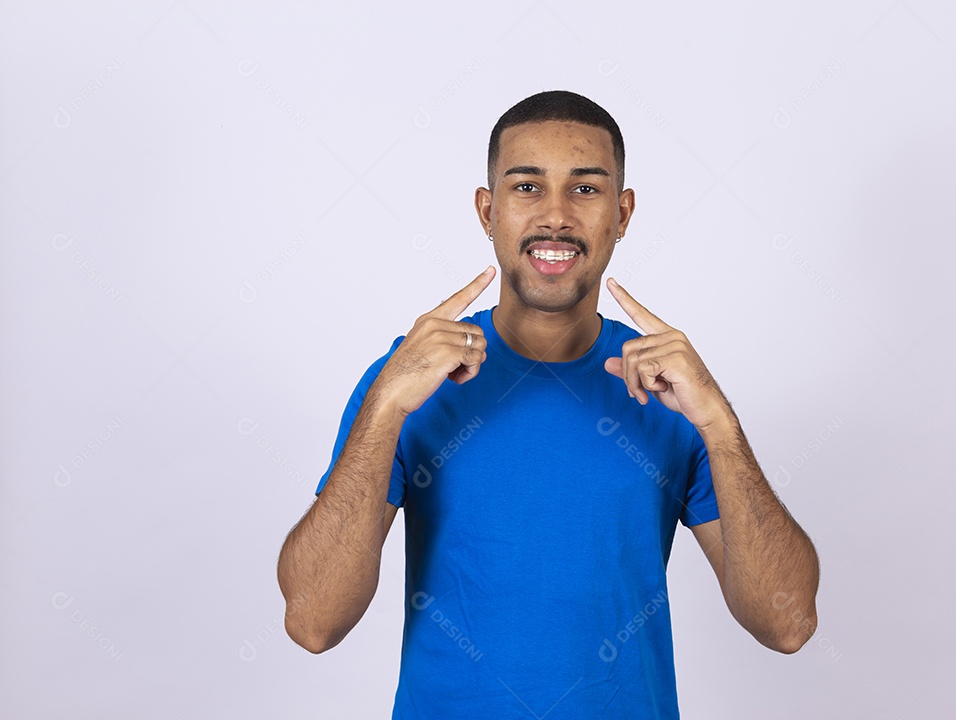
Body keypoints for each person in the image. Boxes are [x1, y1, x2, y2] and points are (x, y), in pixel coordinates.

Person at [277, 90, 820, 718]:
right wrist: (385, 408)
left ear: (623, 213)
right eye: (527, 187)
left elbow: (788, 625)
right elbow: (313, 622)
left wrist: (720, 425)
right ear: (488, 210)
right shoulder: (407, 381)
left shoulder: (675, 392)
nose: (556, 216)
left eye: (585, 190)